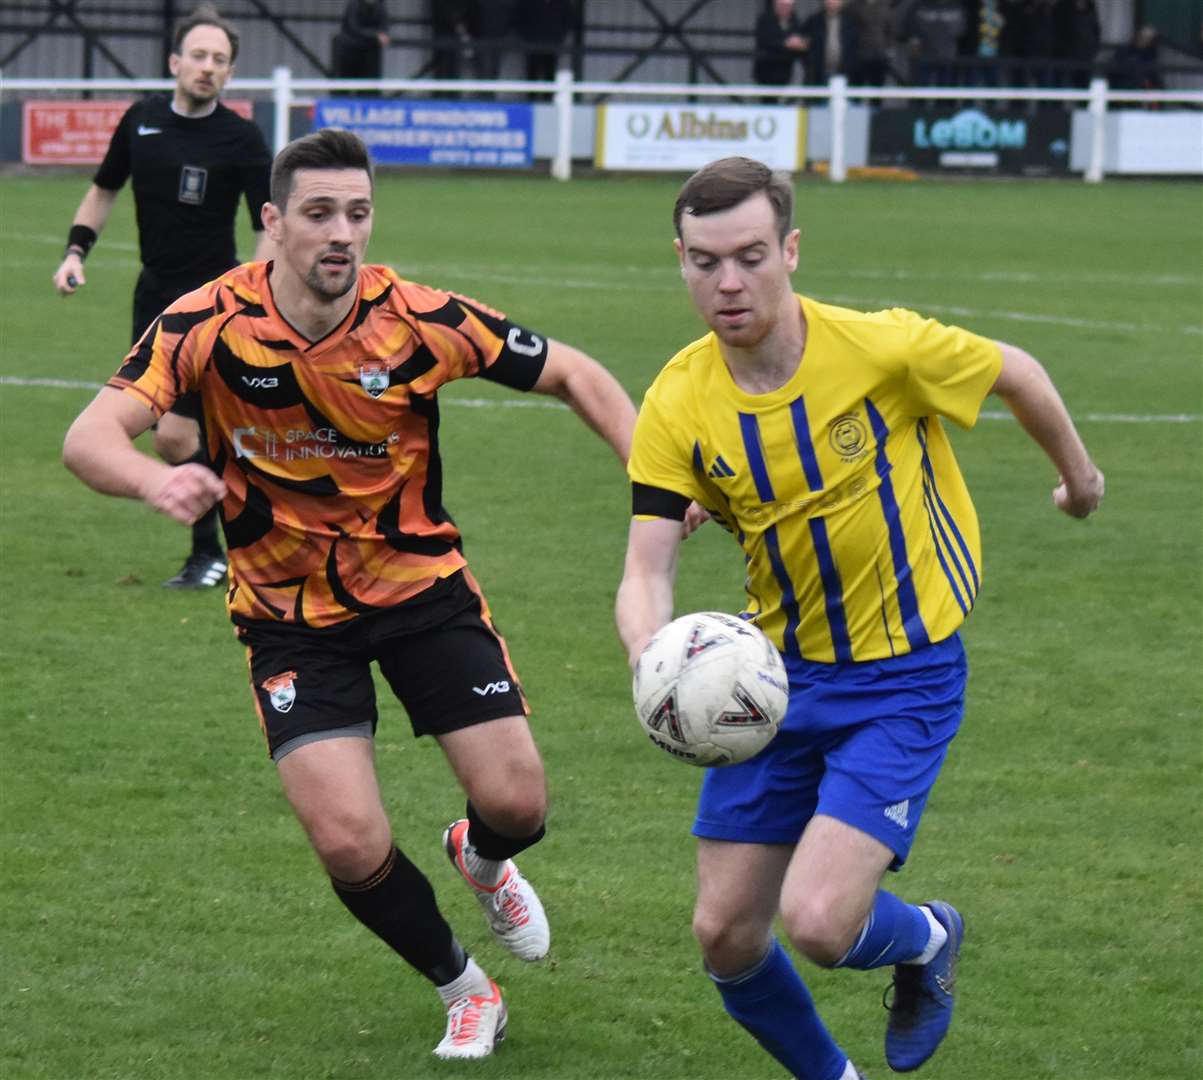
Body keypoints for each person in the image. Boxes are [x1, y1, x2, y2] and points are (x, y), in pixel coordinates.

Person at [62, 127, 637, 1062]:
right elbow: (90, 436)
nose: (342, 234)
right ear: (274, 223)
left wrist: (651, 476)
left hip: (419, 589)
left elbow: (573, 372)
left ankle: (483, 858)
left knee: (520, 803)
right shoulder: (204, 321)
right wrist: (149, 482)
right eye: (320, 214)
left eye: (358, 214)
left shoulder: (416, 318)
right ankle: (465, 989)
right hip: (289, 619)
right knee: (345, 840)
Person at [614, 156, 1103, 1080]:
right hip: (771, 685)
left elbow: (1019, 372)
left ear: (790, 250)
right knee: (724, 933)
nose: (727, 283)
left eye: (750, 257)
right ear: (677, 259)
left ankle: (923, 939)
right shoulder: (677, 398)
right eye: (703, 261)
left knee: (818, 922)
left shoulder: (882, 349)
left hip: (902, 676)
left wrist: (1078, 483)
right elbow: (645, 565)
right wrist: (655, 659)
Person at [52, 6, 272, 589]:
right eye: (198, 56)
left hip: (214, 307)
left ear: (229, 73)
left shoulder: (242, 137)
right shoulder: (140, 121)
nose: (207, 68)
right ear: (174, 62)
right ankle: (229, 547)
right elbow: (103, 190)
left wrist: (256, 289)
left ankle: (215, 553)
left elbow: (269, 221)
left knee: (176, 435)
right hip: (153, 301)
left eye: (219, 61)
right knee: (182, 436)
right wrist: (76, 253)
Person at [799, 0, 861, 85]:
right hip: (819, 75)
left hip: (844, 75)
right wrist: (810, 64)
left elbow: (855, 47)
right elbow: (801, 43)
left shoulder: (850, 22)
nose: (832, 2)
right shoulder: (814, 21)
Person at [753, 0, 808, 89]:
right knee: (768, 98)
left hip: (785, 70)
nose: (785, 8)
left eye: (788, 6)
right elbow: (765, 40)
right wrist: (785, 43)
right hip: (766, 69)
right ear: (776, 5)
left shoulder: (795, 21)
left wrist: (799, 43)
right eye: (783, 5)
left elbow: (800, 38)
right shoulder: (765, 20)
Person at [332, 0, 390, 83]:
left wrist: (383, 35)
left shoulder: (380, 6)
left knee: (369, 86)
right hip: (349, 53)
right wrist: (375, 35)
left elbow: (385, 26)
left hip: (370, 55)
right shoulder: (354, 4)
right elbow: (353, 27)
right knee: (344, 84)